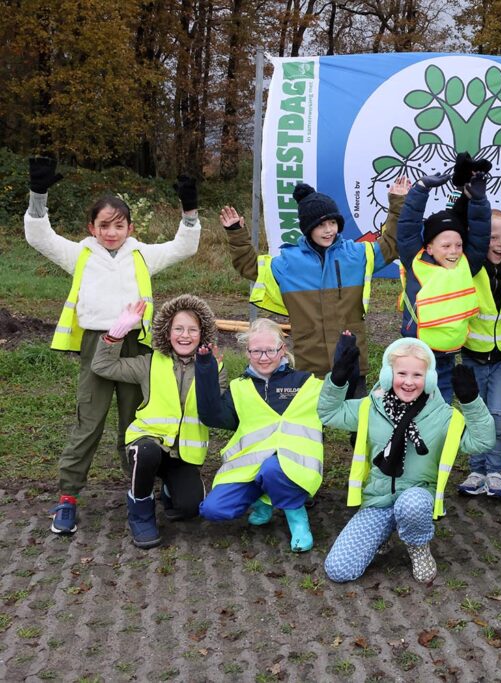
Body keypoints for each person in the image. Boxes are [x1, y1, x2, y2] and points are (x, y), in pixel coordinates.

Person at [24, 157, 201, 535]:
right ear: (92, 227)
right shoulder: (81, 254)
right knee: (88, 424)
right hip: (95, 347)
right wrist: (38, 195)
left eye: (118, 225)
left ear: (129, 227)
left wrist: (189, 210)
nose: (111, 232)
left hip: (136, 349)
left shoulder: (141, 254)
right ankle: (68, 498)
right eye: (104, 225)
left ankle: (137, 492)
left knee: (133, 424)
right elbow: (40, 237)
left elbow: (183, 247)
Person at [319, 334, 495, 583]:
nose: (409, 382)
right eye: (401, 374)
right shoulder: (370, 407)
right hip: (378, 501)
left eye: (417, 375)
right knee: (338, 570)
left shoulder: (444, 416)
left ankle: (418, 547)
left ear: (430, 379)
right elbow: (328, 413)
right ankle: (383, 533)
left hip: (417, 499)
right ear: (388, 376)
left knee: (411, 504)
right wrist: (337, 382)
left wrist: (471, 402)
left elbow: (483, 441)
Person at [221, 179, 403, 388]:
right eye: (320, 225)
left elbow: (391, 244)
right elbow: (249, 266)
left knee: (354, 418)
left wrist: (397, 205)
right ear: (308, 228)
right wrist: (236, 232)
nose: (328, 230)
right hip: (309, 366)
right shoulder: (288, 262)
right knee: (314, 420)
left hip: (351, 360)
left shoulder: (356, 254)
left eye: (332, 223)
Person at [91, 295, 225, 548]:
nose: (185, 336)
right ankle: (141, 512)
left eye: (192, 330)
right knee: (146, 452)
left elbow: (216, 412)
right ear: (167, 331)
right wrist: (115, 334)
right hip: (148, 442)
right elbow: (102, 365)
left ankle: (169, 490)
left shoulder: (215, 367)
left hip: (182, 453)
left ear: (202, 333)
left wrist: (208, 370)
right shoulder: (148, 363)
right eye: (178, 329)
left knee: (190, 508)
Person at [195, 319, 324, 552]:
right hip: (251, 467)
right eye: (256, 351)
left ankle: (297, 519)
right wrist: (205, 368)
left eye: (270, 350)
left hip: (294, 465)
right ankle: (263, 500)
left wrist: (347, 368)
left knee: (273, 469)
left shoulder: (305, 383)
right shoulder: (239, 387)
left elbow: (334, 403)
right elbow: (212, 416)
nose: (263, 357)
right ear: (247, 353)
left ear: (282, 349)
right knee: (212, 509)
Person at [397, 153, 492, 402]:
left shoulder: (465, 264)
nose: (453, 251)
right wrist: (421, 189)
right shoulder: (416, 261)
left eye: (458, 245)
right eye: (446, 245)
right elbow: (407, 226)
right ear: (429, 247)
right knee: (411, 403)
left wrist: (479, 200)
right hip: (415, 352)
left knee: (442, 405)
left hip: (447, 354)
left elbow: (481, 231)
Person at [457, 207, 501, 500]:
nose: (500, 243)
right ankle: (476, 470)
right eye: (493, 237)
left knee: (498, 415)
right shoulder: (472, 266)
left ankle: (494, 471)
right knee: (476, 415)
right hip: (473, 356)